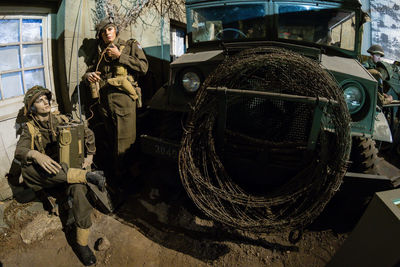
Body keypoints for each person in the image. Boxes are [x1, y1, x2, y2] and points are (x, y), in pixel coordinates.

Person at [14, 85, 106, 266]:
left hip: (67, 176)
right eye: (40, 100)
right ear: (32, 108)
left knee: (79, 191)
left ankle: (81, 244)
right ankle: (85, 176)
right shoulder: (29, 129)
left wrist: (90, 156)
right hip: (49, 177)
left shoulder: (62, 120)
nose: (46, 102)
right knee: (30, 170)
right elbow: (20, 151)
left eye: (46, 98)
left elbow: (87, 133)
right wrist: (36, 155)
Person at [85, 18, 148, 185]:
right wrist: (88, 76)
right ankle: (118, 176)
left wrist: (121, 57)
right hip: (104, 103)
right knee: (112, 139)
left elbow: (144, 67)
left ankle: (131, 179)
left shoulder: (130, 45)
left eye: (110, 29)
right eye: (103, 31)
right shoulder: (100, 52)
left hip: (124, 100)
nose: (107, 33)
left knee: (126, 142)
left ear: (116, 31)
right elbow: (92, 70)